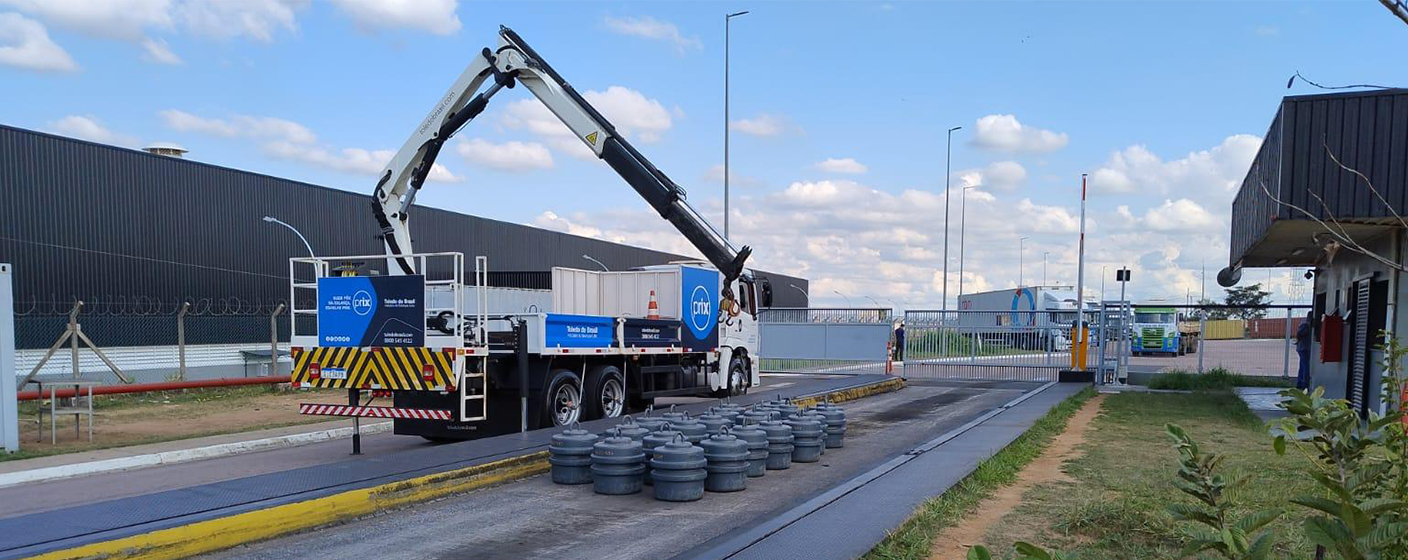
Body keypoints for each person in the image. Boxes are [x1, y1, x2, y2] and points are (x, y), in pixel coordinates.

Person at [1295, 312, 1312, 390]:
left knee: (1303, 366)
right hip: (1305, 347)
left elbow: (1299, 334)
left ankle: (1300, 383)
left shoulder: (1304, 323)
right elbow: (1300, 334)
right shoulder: (1307, 324)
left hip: (1302, 347)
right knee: (1306, 366)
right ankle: (1305, 384)